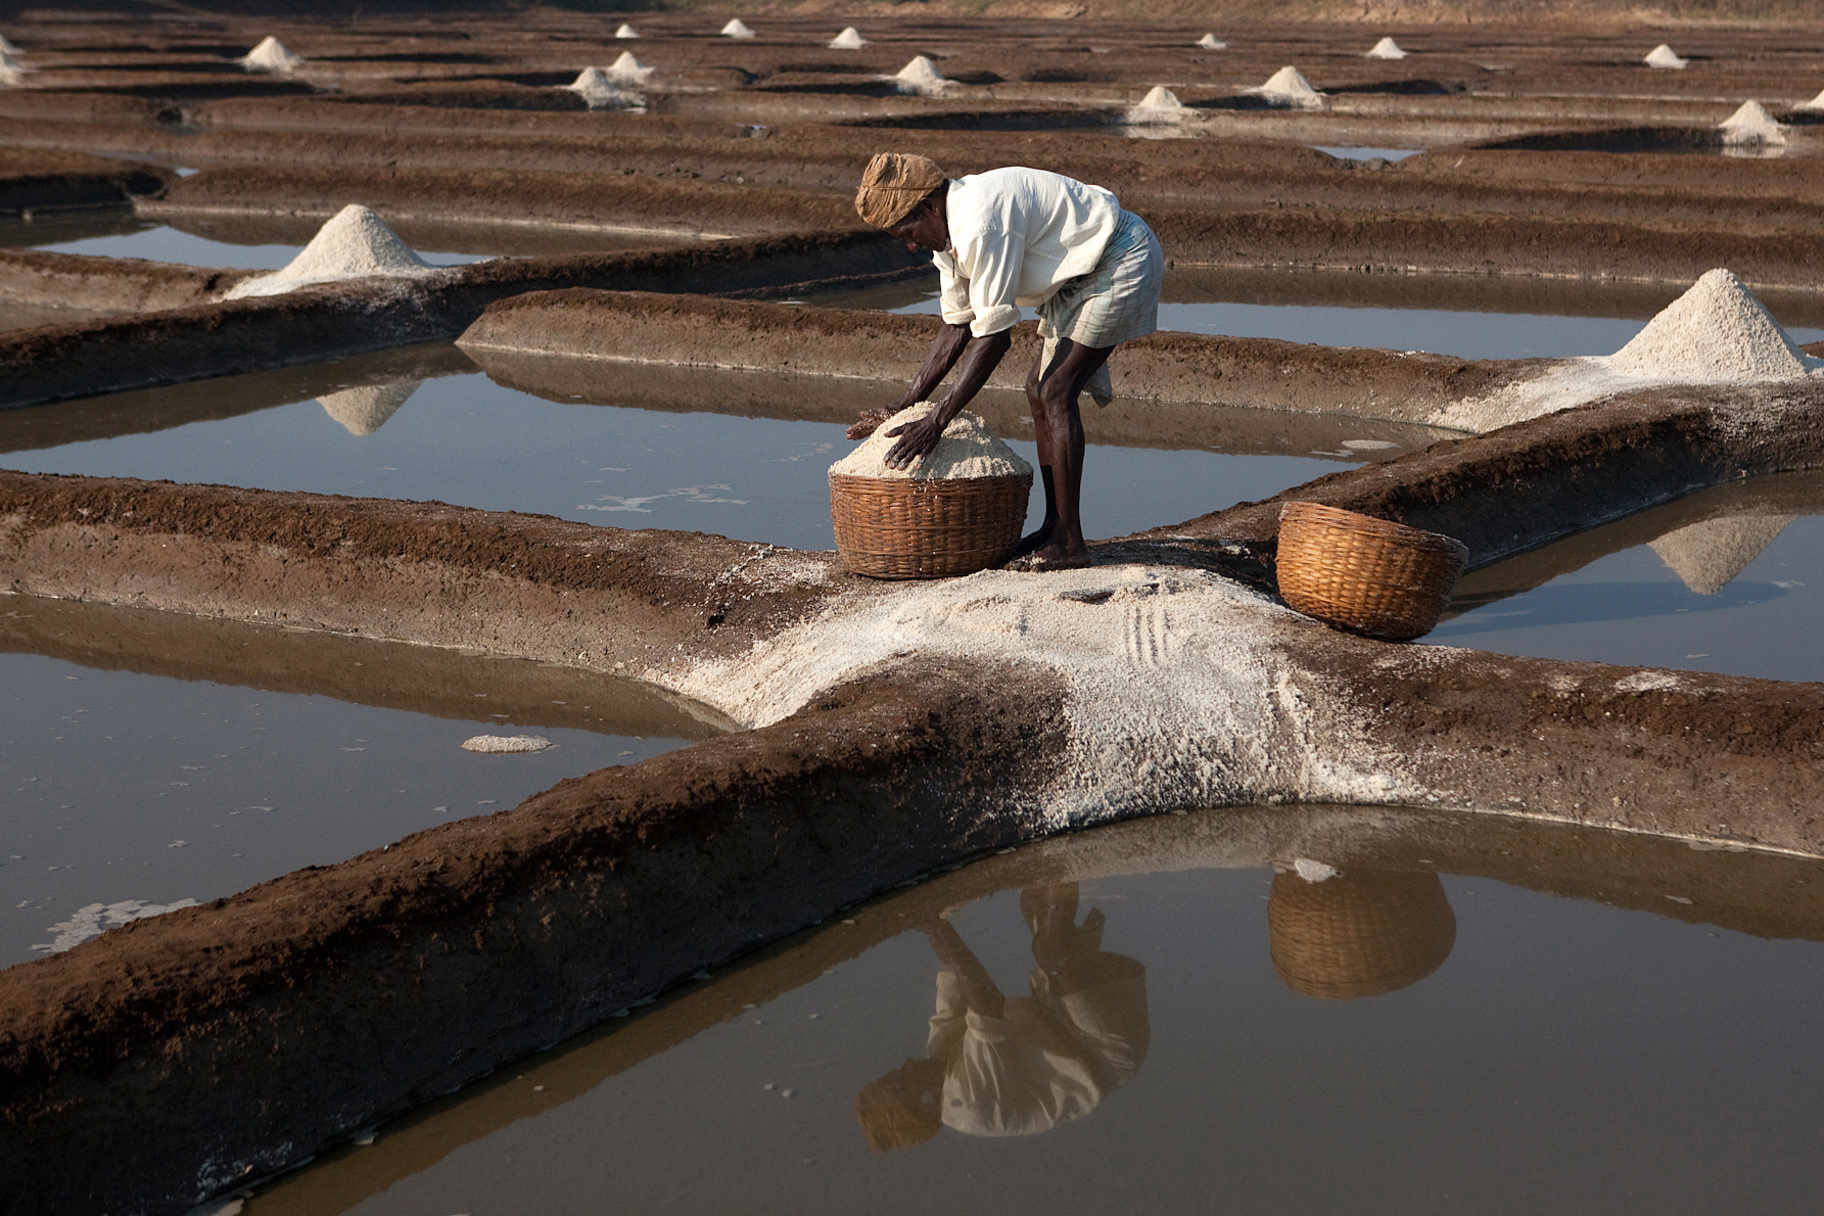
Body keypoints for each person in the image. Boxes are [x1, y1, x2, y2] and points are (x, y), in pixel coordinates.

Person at [848, 152, 1165, 570]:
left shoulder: (980, 221)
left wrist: (937, 421)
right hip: (1082, 272)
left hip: (1119, 257)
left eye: (907, 231)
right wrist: (903, 407)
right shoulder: (949, 234)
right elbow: (957, 326)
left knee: (1055, 391)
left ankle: (1070, 542)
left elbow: (994, 337)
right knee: (1038, 389)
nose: (909, 244)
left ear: (927, 207)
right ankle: (1056, 528)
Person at [854, 884, 1150, 1149]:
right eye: (900, 1080)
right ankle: (1073, 858)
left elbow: (951, 973)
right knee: (1052, 947)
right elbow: (987, 1001)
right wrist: (932, 924)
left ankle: (1071, 878)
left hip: (1061, 1019)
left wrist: (927, 916)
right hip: (1103, 1049)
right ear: (924, 1102)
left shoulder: (938, 1056)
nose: (905, 1064)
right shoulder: (971, 1104)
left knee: (1033, 900)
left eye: (894, 1071)